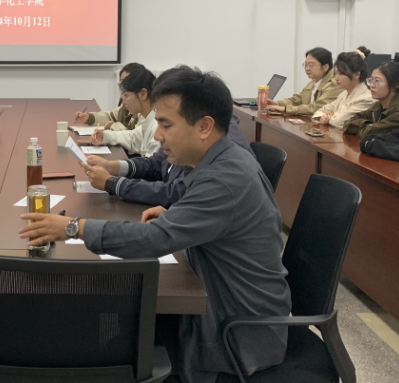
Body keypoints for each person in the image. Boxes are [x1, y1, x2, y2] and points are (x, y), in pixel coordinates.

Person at [21, 66, 291, 383]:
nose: (157, 135)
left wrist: (73, 227)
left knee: (102, 338)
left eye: (166, 125)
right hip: (220, 301)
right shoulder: (219, 159)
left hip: (232, 335)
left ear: (204, 126)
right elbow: (202, 213)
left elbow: (154, 239)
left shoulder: (225, 179)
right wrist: (182, 214)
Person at [82, 113, 255, 207]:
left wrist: (114, 184)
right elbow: (156, 163)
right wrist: (113, 166)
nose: (157, 135)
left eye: (166, 126)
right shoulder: (188, 131)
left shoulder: (220, 158)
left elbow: (175, 193)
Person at [90, 68, 160, 157]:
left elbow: (151, 164)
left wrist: (114, 165)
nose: (123, 102)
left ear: (143, 94)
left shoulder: (157, 125)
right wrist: (105, 136)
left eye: (126, 95)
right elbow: (132, 138)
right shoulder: (150, 119)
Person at [344, 61, 399, 138]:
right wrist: (367, 124)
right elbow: (347, 124)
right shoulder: (378, 105)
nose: (372, 85)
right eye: (371, 80)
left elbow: (368, 132)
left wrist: (365, 126)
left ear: (395, 85)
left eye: (377, 81)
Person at [267, 47, 342, 116]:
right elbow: (297, 99)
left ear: (325, 67)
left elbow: (316, 108)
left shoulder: (334, 85)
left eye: (311, 65)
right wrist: (278, 104)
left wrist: (286, 109)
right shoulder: (314, 81)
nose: (307, 68)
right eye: (305, 65)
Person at [312, 47, 375, 128]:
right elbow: (319, 111)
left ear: (356, 75)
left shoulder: (367, 99)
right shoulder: (343, 94)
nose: (336, 78)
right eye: (335, 73)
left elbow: (339, 122)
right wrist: (324, 117)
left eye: (341, 73)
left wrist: (331, 116)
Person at [74, 62, 147, 130]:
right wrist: (89, 117)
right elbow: (111, 116)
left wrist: (113, 126)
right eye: (122, 81)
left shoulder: (145, 110)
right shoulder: (127, 104)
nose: (123, 86)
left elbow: (135, 137)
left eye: (127, 82)